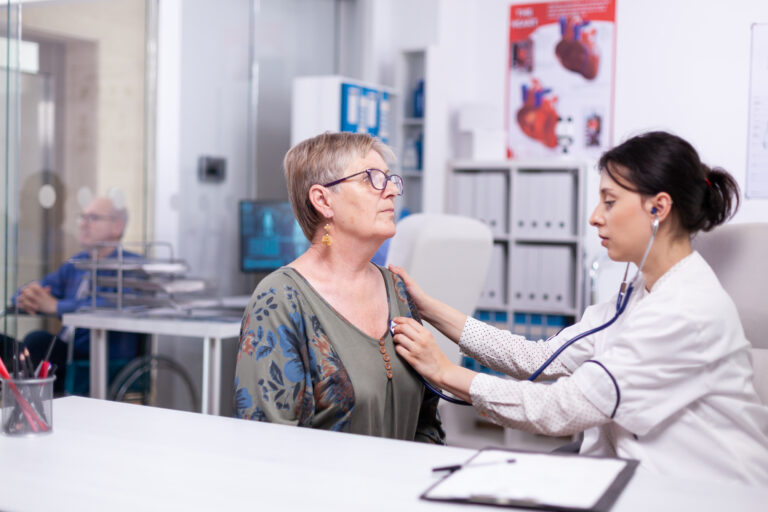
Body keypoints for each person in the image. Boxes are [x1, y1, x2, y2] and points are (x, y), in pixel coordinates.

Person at [391, 131, 768, 485]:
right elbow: (537, 358)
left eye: (609, 201)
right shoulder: (641, 293)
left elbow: (564, 408)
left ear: (659, 208)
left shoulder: (686, 311)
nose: (594, 217)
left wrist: (444, 372)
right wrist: (429, 308)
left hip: (701, 491)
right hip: (628, 468)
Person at [234, 132, 444, 444]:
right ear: (322, 200)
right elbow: (267, 446)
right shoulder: (280, 300)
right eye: (372, 179)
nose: (390, 192)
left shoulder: (397, 290)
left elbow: (426, 424)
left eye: (389, 180)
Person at [10, 196, 141, 394]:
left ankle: (24, 411)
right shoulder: (76, 264)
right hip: (67, 351)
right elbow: (33, 290)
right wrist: (27, 297)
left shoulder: (132, 267)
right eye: (82, 217)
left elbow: (112, 305)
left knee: (38, 342)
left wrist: (56, 307)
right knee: (6, 346)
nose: (83, 224)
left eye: (93, 218)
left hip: (102, 356)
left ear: (117, 226)